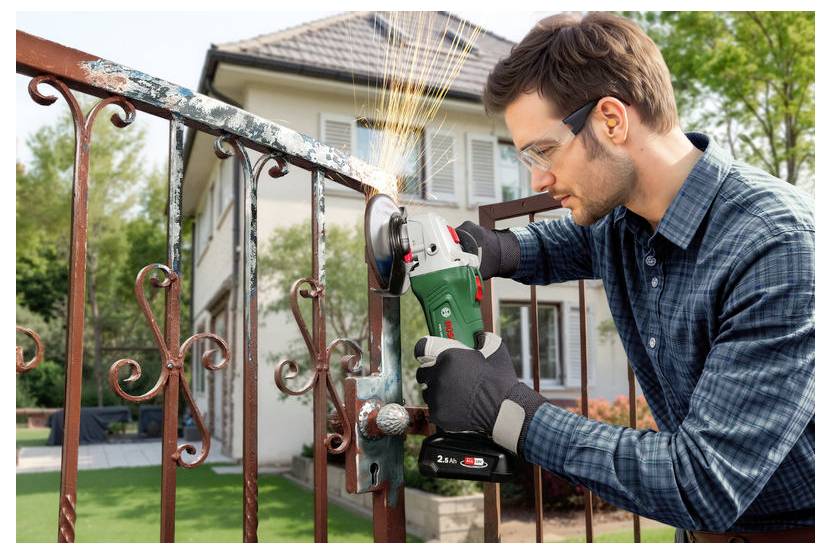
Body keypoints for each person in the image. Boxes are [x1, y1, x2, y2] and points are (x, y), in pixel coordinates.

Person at [414, 12, 814, 543]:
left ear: (610, 120)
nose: (539, 179)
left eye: (544, 150)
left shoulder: (775, 246)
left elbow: (704, 481)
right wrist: (500, 249)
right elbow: (576, 241)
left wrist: (509, 411)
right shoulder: (626, 219)